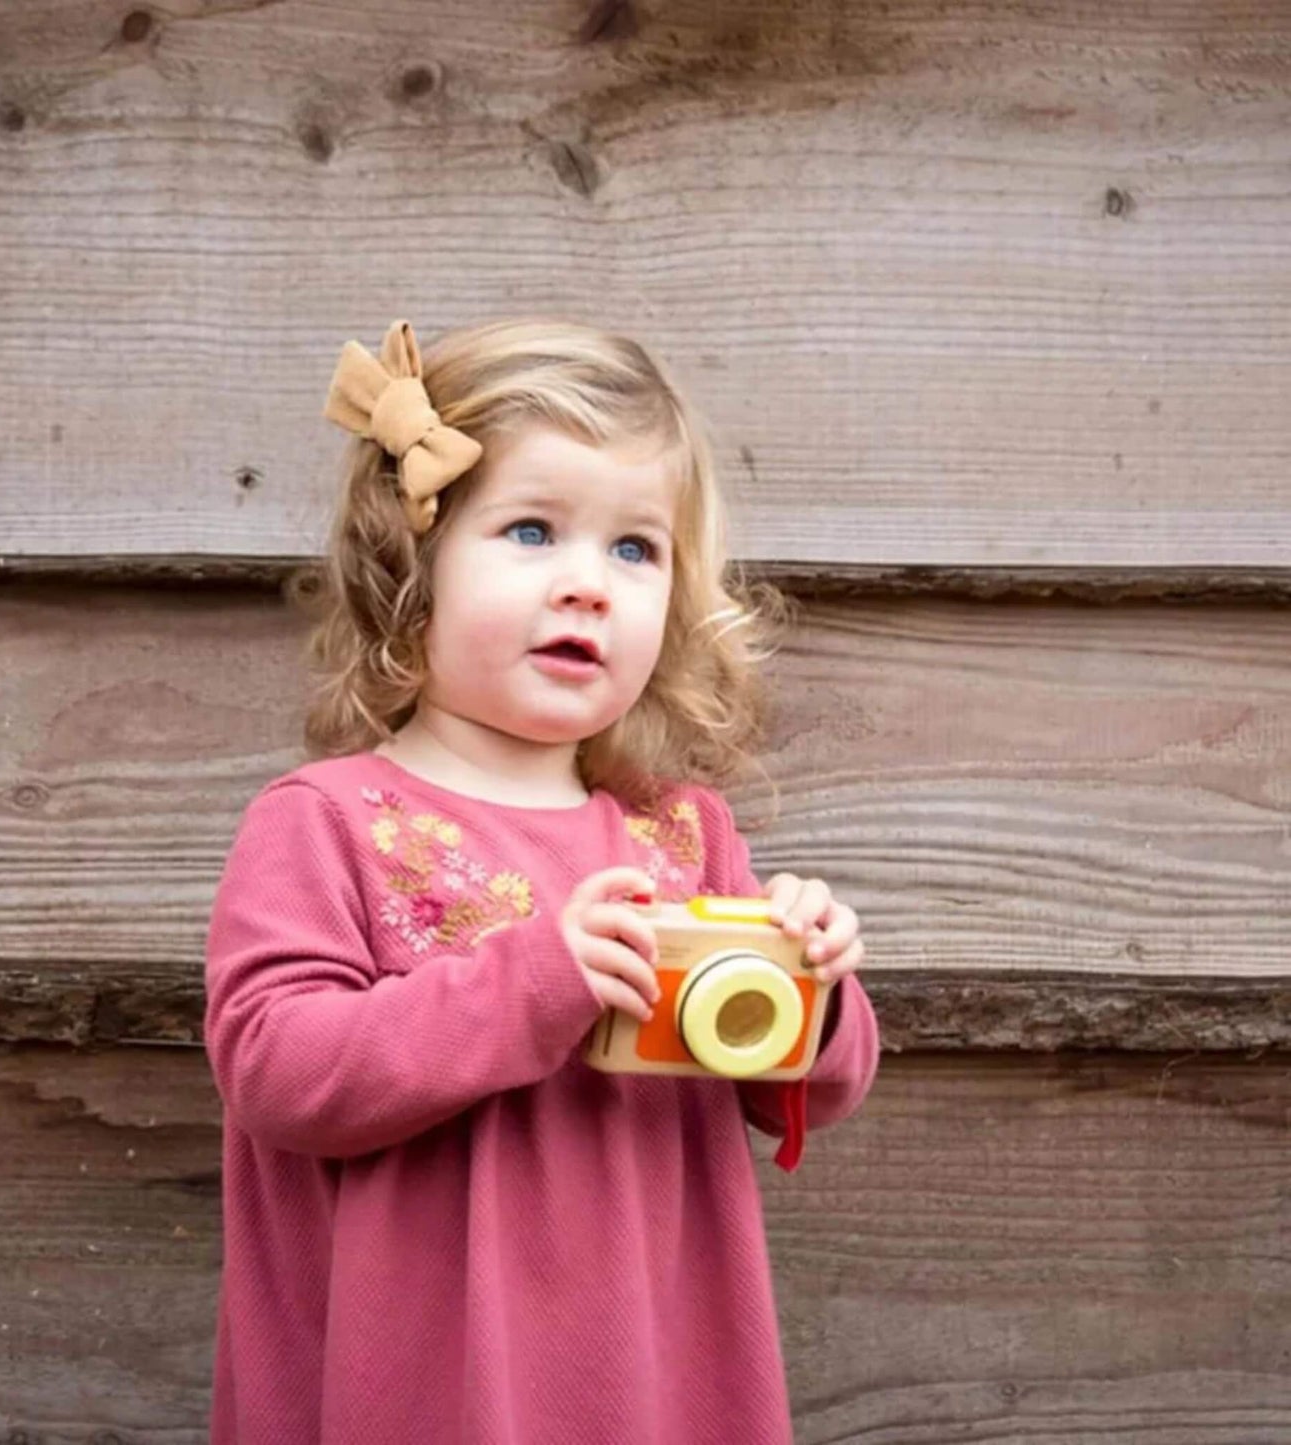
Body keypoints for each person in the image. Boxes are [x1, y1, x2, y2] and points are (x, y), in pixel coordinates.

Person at [204, 317, 879, 1444]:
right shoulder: (324, 821)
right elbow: (275, 1072)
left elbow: (798, 1091)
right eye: (531, 530)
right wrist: (531, 981)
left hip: (653, 1379)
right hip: (423, 1385)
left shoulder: (679, 834)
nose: (588, 586)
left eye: (634, 549)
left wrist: (812, 991)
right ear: (410, 569)